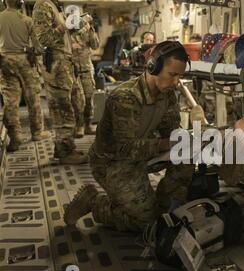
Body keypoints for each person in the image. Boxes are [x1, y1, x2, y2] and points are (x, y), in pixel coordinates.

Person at [64, 41, 195, 232]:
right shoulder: (125, 97)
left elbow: (171, 129)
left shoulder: (166, 95)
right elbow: (125, 149)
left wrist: (188, 139)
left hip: (143, 153)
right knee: (147, 224)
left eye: (180, 76)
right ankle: (94, 203)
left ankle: (163, 208)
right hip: (112, 162)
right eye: (173, 75)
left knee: (186, 156)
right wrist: (166, 143)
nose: (176, 82)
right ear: (153, 66)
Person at [32, 0, 88, 164]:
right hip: (57, 66)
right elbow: (43, 39)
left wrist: (74, 24)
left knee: (71, 104)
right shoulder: (42, 5)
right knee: (62, 108)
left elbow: (60, 35)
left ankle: (64, 146)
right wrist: (65, 24)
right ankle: (65, 152)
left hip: (64, 64)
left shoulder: (53, 5)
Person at [0, 0, 50, 152]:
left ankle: (15, 138)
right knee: (32, 97)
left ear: (4, 2)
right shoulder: (27, 21)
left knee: (10, 100)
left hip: (5, 60)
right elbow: (38, 48)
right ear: (20, 3)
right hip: (24, 61)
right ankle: (37, 133)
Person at [70, 13, 100, 137]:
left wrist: (91, 29)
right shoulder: (69, 34)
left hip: (87, 69)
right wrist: (82, 30)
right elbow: (66, 45)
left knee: (89, 98)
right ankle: (79, 126)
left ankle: (88, 124)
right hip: (74, 71)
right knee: (78, 100)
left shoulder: (88, 31)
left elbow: (95, 45)